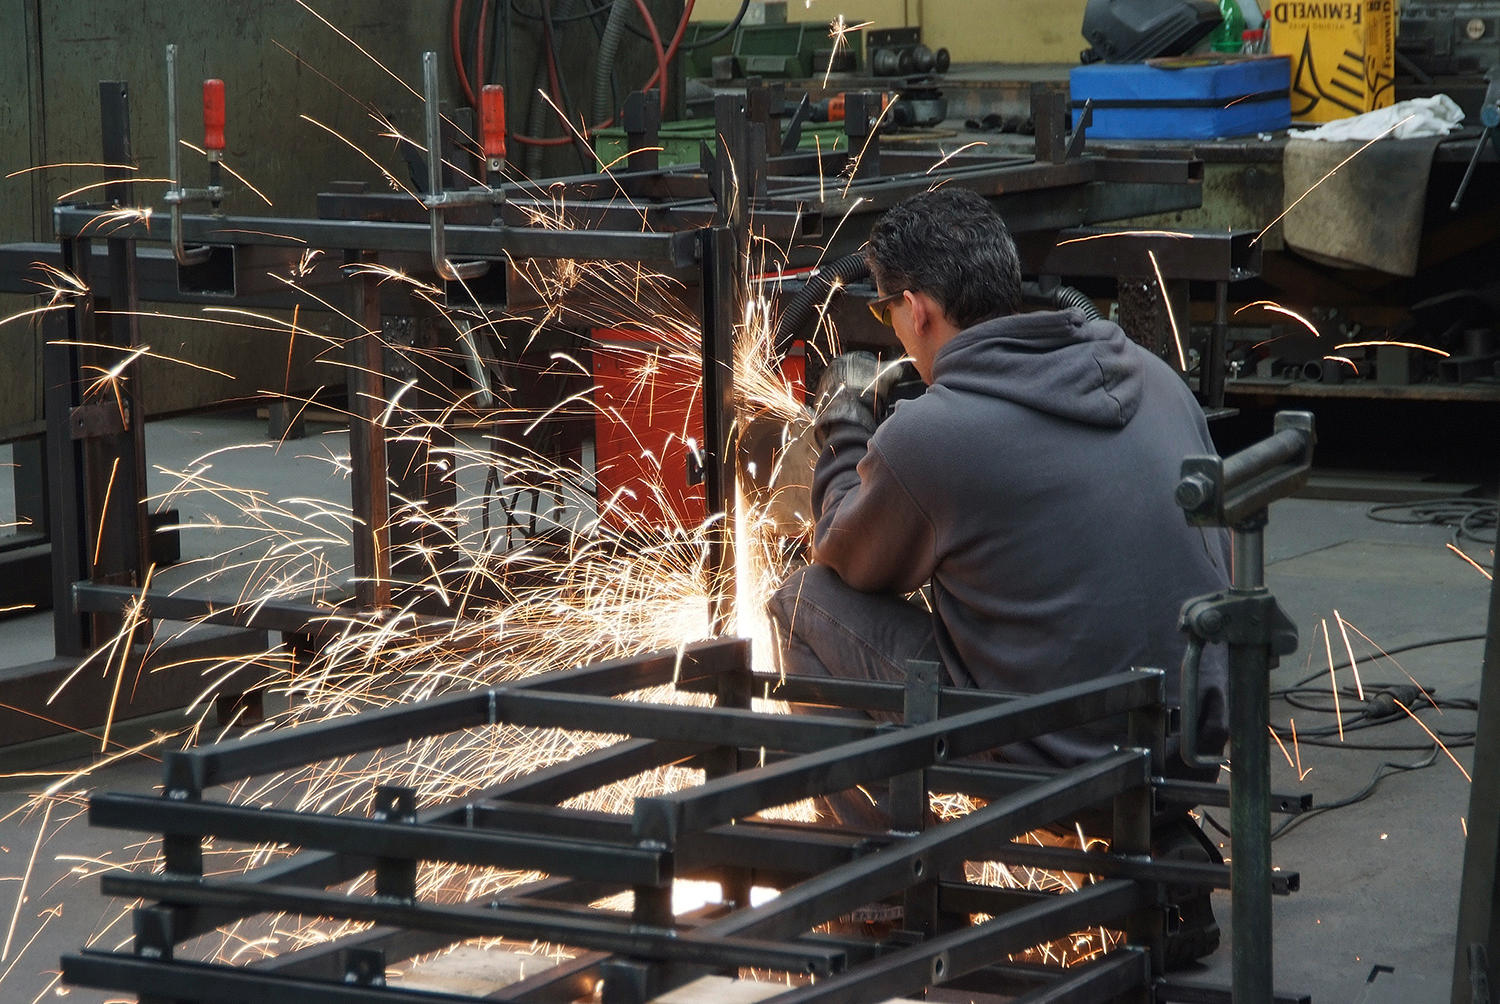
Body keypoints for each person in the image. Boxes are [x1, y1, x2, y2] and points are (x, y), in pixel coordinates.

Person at [766, 185, 1231, 965]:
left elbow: (845, 554)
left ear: (916, 310)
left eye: (888, 315)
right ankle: (1161, 846)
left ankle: (897, 896)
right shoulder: (1149, 373)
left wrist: (846, 426)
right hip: (1183, 733)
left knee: (803, 605)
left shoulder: (934, 437)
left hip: (1053, 750)